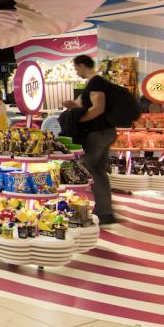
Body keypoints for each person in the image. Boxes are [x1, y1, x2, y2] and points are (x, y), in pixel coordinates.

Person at [64, 54, 117, 224]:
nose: (76, 71)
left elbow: (98, 108)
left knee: (92, 170)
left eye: (76, 68)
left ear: (81, 65)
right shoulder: (96, 83)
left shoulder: (96, 82)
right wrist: (75, 106)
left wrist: (79, 119)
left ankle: (104, 212)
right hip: (104, 132)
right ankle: (105, 210)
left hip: (98, 133)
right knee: (98, 170)